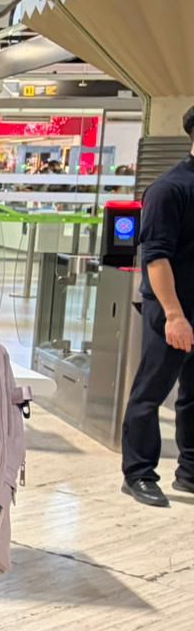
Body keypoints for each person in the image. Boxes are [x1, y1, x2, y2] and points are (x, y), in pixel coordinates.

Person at [121, 106, 194, 506]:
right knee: (150, 392)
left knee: (193, 394)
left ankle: (190, 472)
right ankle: (138, 474)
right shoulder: (169, 189)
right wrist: (174, 314)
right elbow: (156, 257)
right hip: (172, 310)